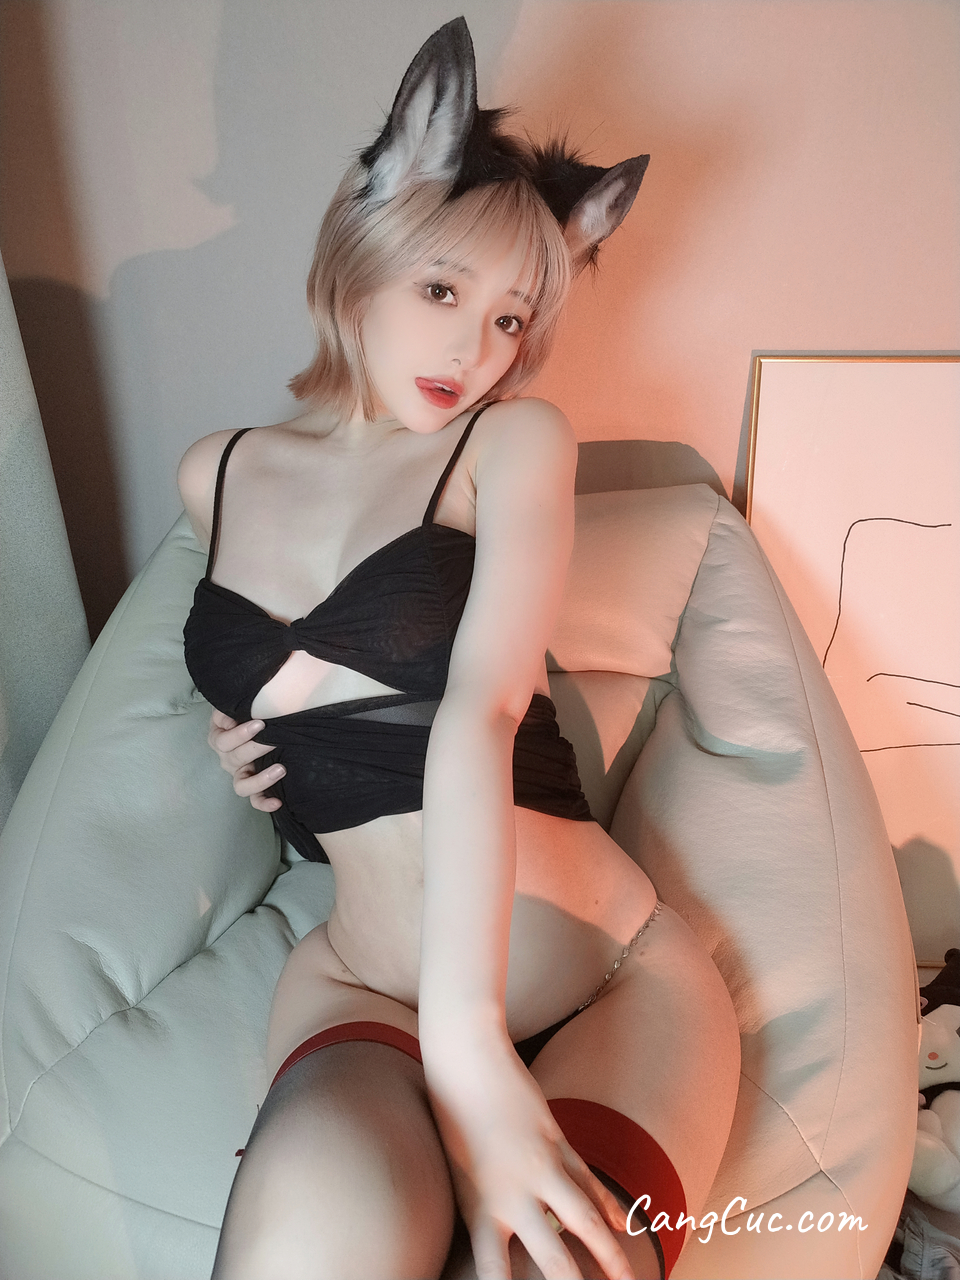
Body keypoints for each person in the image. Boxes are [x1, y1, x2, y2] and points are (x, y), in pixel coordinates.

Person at [178, 18, 740, 1280]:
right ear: (364, 241)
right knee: (306, 1246)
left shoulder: (514, 441)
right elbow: (292, 675)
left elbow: (481, 712)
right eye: (443, 291)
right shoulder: (216, 471)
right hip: (362, 985)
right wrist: (248, 736)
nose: (476, 351)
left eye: (510, 317)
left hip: (606, 981)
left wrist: (475, 1045)